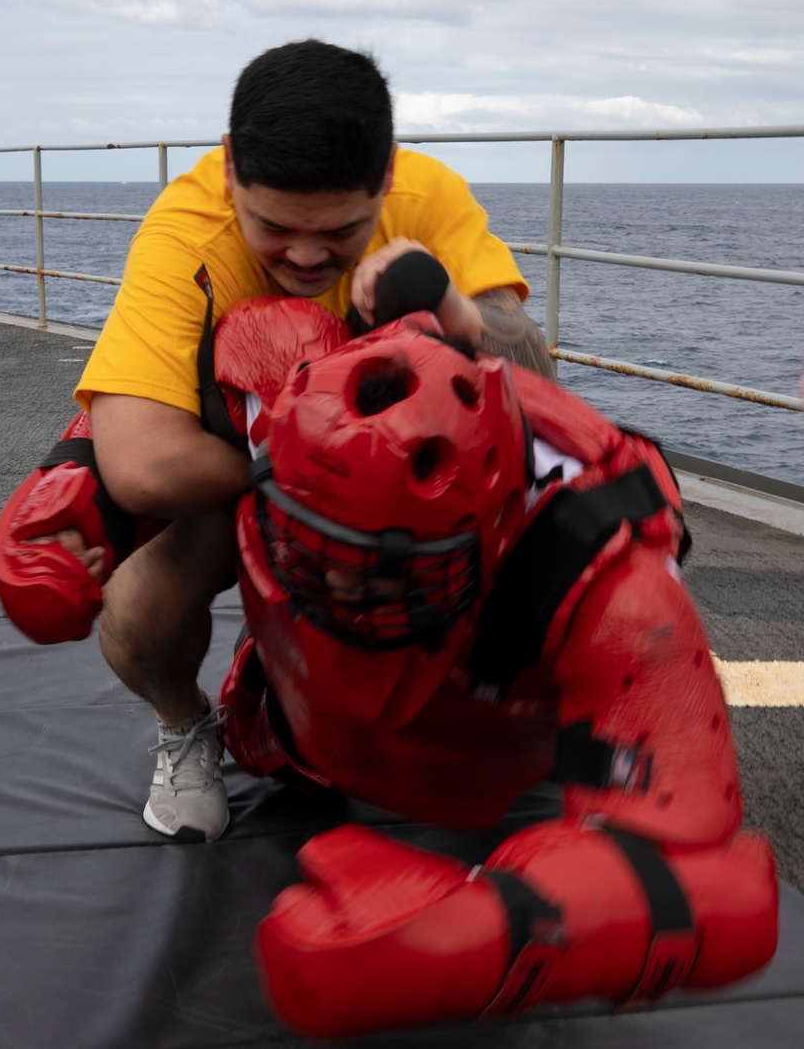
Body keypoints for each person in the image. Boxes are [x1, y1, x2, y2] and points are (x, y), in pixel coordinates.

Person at [0, 38, 553, 843]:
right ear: (230, 173)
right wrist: (315, 473)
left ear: (387, 178)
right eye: (275, 226)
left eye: (341, 231)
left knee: (549, 536)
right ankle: (184, 721)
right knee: (142, 609)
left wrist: (450, 311)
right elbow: (144, 465)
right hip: (239, 461)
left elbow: (533, 372)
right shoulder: (187, 232)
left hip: (399, 462)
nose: (304, 254)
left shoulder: (428, 195)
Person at [215, 303, 778, 1036]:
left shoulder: (609, 578)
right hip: (293, 731)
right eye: (325, 557)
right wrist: (78, 491)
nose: (349, 594)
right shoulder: (294, 404)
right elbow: (157, 410)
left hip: (483, 779)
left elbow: (716, 881)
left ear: (496, 524)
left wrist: (491, 931)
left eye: (382, 572)